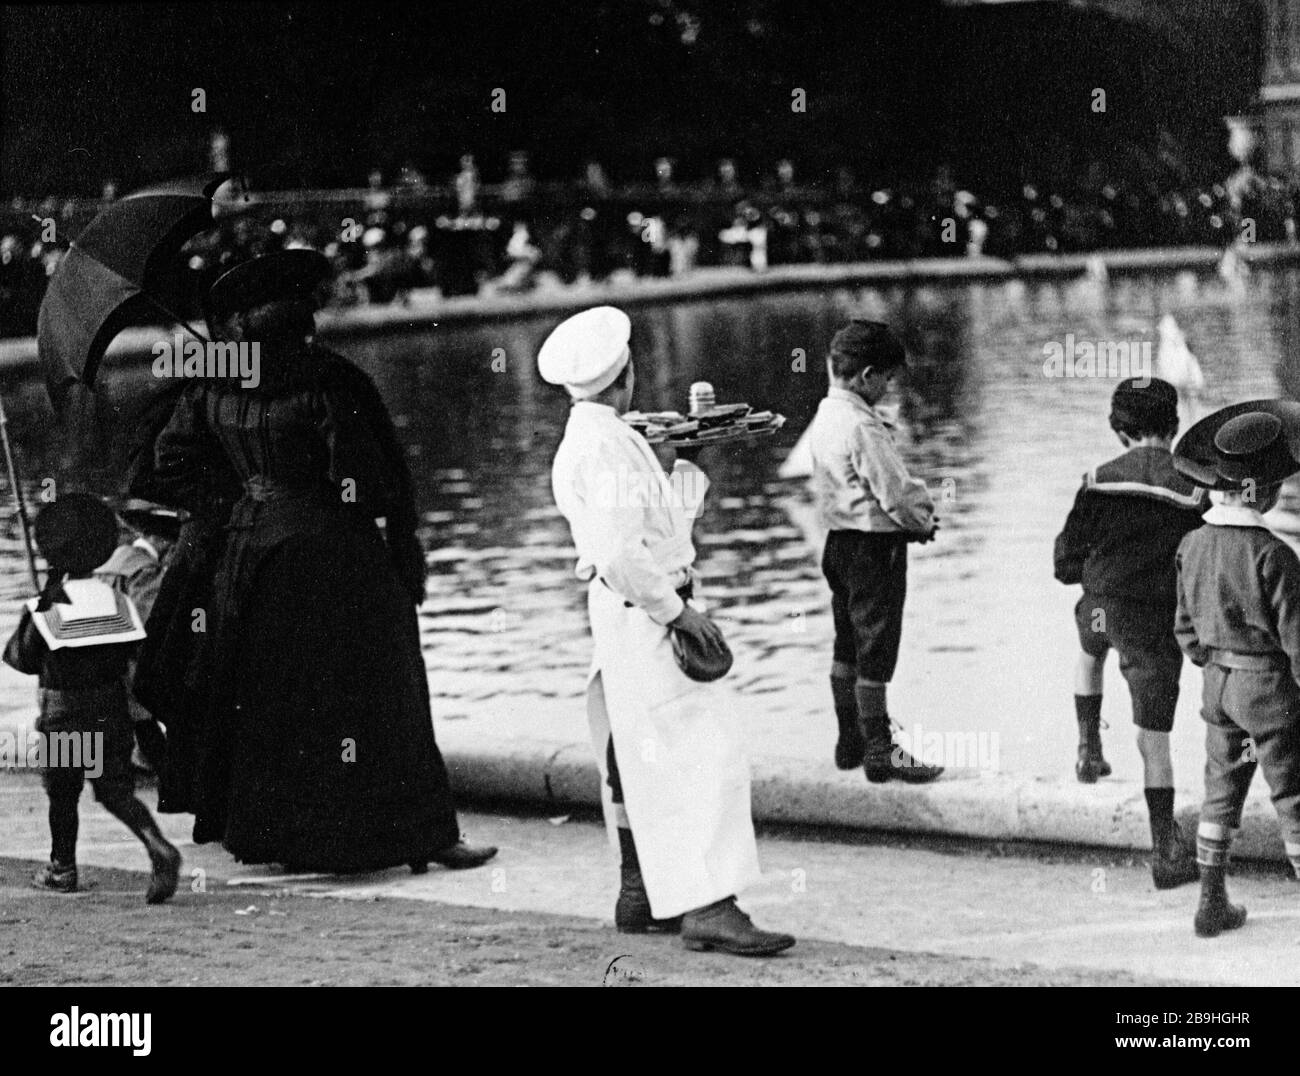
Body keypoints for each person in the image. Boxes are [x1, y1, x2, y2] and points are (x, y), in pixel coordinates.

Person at [147, 249, 495, 874]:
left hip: (248, 558)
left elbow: (170, 464)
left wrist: (240, 498)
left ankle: (285, 837)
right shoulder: (331, 380)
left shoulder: (212, 383)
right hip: (335, 556)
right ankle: (421, 835)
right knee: (379, 689)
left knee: (273, 695)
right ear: (302, 320)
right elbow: (365, 478)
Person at [543, 305, 795, 956]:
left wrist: (686, 461)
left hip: (627, 610)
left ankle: (644, 892)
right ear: (625, 373)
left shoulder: (592, 438)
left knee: (642, 751)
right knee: (703, 753)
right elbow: (621, 552)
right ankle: (711, 906)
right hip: (647, 612)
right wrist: (677, 613)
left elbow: (657, 531)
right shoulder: (608, 445)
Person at [1053, 378, 1205, 889]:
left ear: (1118, 431)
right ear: (1175, 426)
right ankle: (1165, 850)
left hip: (1099, 608)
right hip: (1152, 622)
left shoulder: (1097, 481)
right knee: (1153, 736)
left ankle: (1088, 749)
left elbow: (1064, 561)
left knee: (1089, 652)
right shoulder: (1192, 490)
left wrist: (1095, 575)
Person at [4, 493, 181, 902]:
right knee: (115, 790)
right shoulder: (116, 600)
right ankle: (156, 842)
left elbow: (21, 659)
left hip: (63, 713)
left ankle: (62, 868)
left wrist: (40, 607)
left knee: (63, 794)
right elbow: (133, 651)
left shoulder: (48, 605)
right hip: (111, 710)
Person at [1172, 400, 1300, 936]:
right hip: (1267, 690)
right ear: (1266, 494)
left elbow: (1184, 628)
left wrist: (1214, 661)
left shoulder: (1192, 543)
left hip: (1218, 687)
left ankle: (1211, 903)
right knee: (1292, 792)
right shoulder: (1275, 555)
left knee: (1221, 791)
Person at [806, 320, 942, 782]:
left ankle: (850, 740)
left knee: (846, 642)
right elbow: (895, 493)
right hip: (874, 551)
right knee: (876, 649)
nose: (887, 389)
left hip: (837, 544)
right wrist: (922, 522)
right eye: (886, 379)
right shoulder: (863, 425)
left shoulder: (825, 415)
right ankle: (881, 749)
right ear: (866, 376)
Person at [94, 499, 181, 790]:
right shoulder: (144, 570)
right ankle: (163, 770)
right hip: (129, 665)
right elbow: (151, 627)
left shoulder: (112, 559)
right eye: (172, 542)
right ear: (160, 540)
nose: (174, 550)